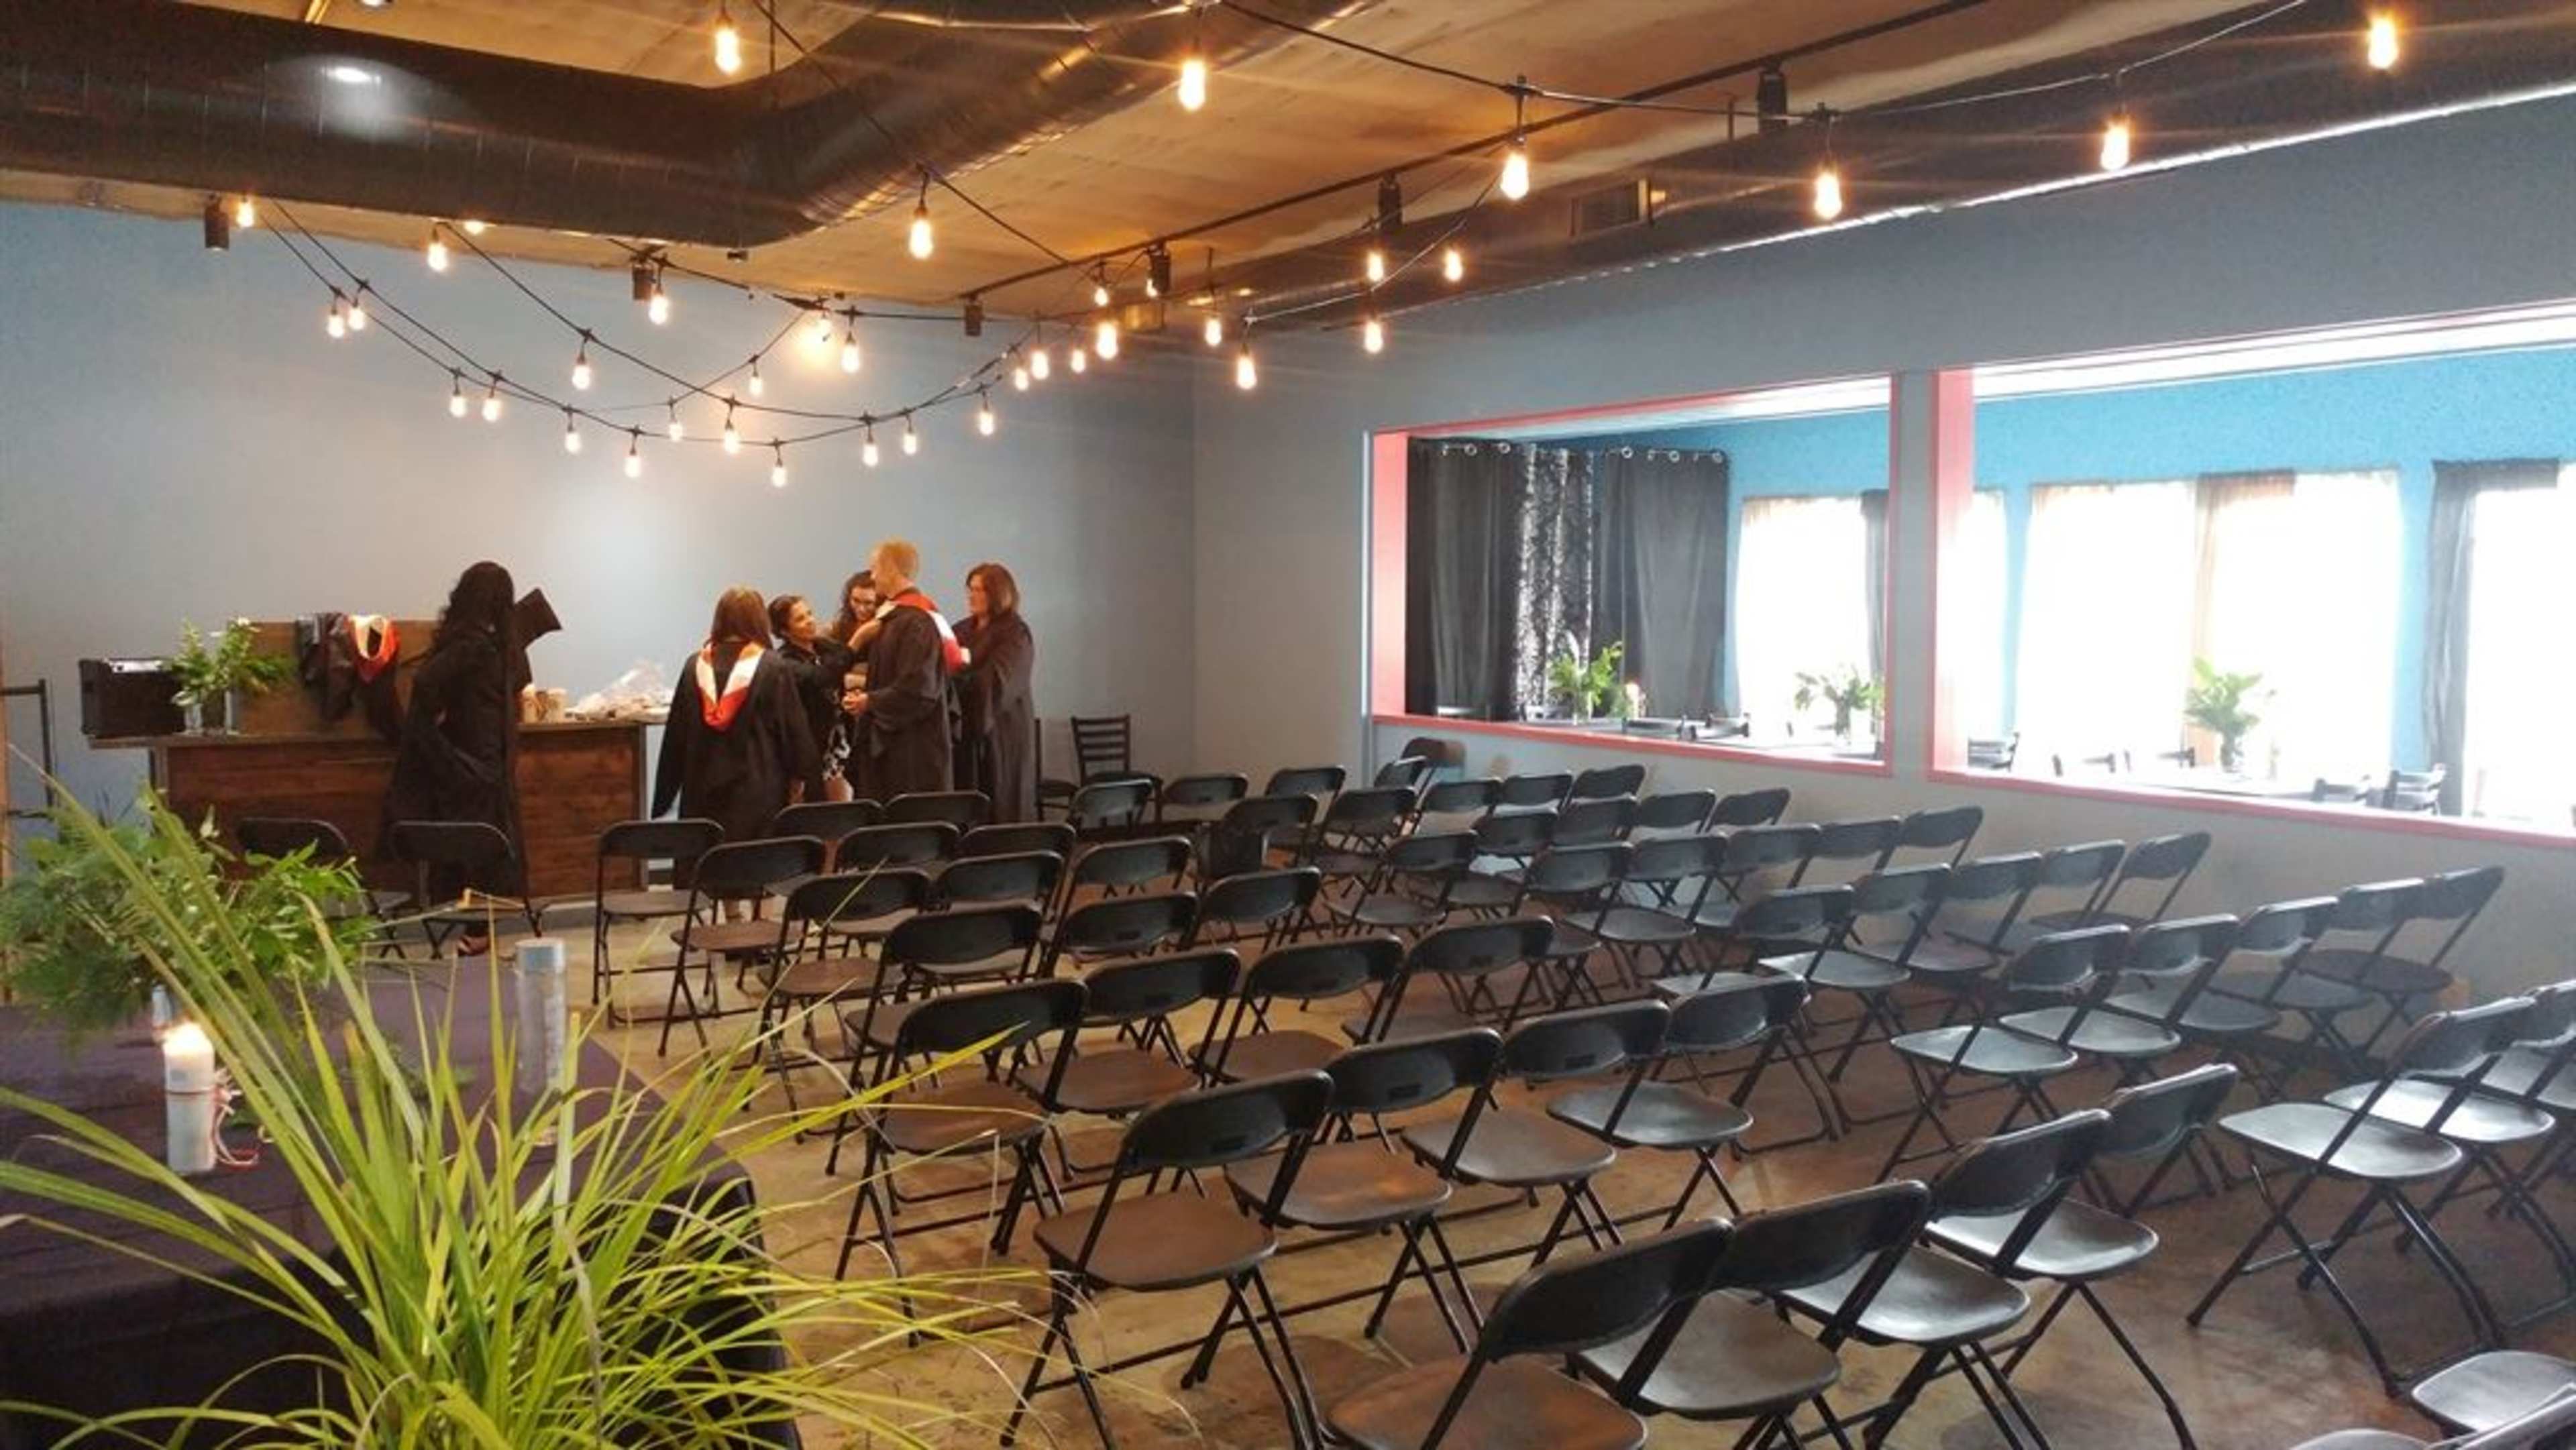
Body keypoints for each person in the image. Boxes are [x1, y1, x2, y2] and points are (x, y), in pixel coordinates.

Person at [382, 561, 529, 934]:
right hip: (475, 773)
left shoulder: (481, 644)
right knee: (482, 867)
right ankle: (476, 948)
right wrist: (450, 756)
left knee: (485, 867)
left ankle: (478, 949)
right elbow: (425, 689)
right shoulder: (473, 647)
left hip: (480, 770)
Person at [653, 587, 817, 846]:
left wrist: (665, 793)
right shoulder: (773, 667)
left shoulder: (693, 666)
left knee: (704, 866)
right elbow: (794, 731)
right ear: (758, 620)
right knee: (751, 868)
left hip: (701, 787)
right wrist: (806, 781)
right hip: (759, 788)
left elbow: (676, 736)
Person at [847, 539, 957, 803]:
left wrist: (870, 700)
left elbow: (919, 689)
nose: (872, 576)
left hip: (911, 755)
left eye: (875, 569)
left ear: (890, 569)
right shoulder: (894, 619)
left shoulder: (916, 621)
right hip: (895, 750)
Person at [953, 561, 1036, 822]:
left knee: (1001, 800)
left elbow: (1000, 681)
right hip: (965, 730)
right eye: (970, 589)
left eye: (979, 590)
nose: (971, 595)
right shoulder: (961, 630)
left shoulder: (1015, 633)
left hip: (1002, 730)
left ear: (998, 594)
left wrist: (960, 680)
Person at [767, 592, 852, 801]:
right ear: (785, 631)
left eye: (810, 614)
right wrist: (858, 640)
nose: (810, 621)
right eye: (800, 619)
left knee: (843, 808)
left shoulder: (824, 647)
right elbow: (821, 677)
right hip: (810, 747)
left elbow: (845, 658)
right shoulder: (784, 661)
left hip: (839, 742)